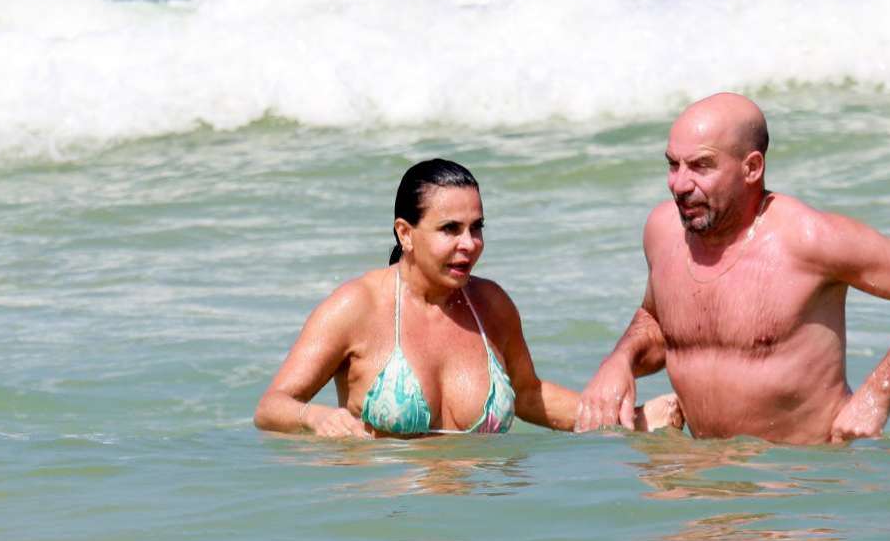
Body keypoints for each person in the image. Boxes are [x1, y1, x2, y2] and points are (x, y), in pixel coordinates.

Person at [576, 93, 890, 444]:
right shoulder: (663, 232)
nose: (679, 184)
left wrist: (877, 395)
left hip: (799, 488)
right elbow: (659, 320)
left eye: (700, 167)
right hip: (701, 483)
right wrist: (620, 361)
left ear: (752, 168)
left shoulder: (809, 238)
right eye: (672, 165)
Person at [255, 159, 681, 438]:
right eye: (450, 229)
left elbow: (530, 395)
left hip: (482, 530)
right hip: (388, 533)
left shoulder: (490, 305)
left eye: (477, 228)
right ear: (405, 233)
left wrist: (633, 422)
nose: (469, 244)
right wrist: (317, 418)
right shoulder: (357, 307)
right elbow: (273, 407)